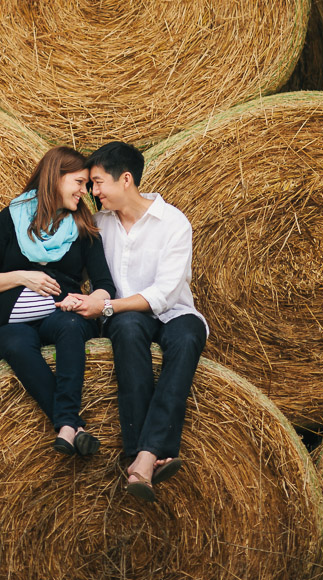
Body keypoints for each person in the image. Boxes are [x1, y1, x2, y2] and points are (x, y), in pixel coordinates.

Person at [62, 140, 209, 502]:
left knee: (189, 336)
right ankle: (146, 455)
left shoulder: (174, 223)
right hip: (125, 319)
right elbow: (61, 267)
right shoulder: (97, 225)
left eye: (98, 183)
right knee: (127, 331)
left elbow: (163, 295)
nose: (92, 192)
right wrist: (8, 291)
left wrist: (108, 307)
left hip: (172, 312)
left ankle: (143, 455)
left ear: (125, 179)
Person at [0, 145, 116, 456]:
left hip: (61, 314)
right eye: (78, 182)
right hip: (13, 322)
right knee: (14, 342)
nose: (83, 192)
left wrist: (88, 302)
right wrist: (23, 276)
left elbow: (105, 286)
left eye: (86, 185)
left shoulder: (82, 226)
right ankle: (71, 425)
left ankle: (66, 425)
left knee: (70, 326)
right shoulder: (12, 218)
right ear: (55, 177)